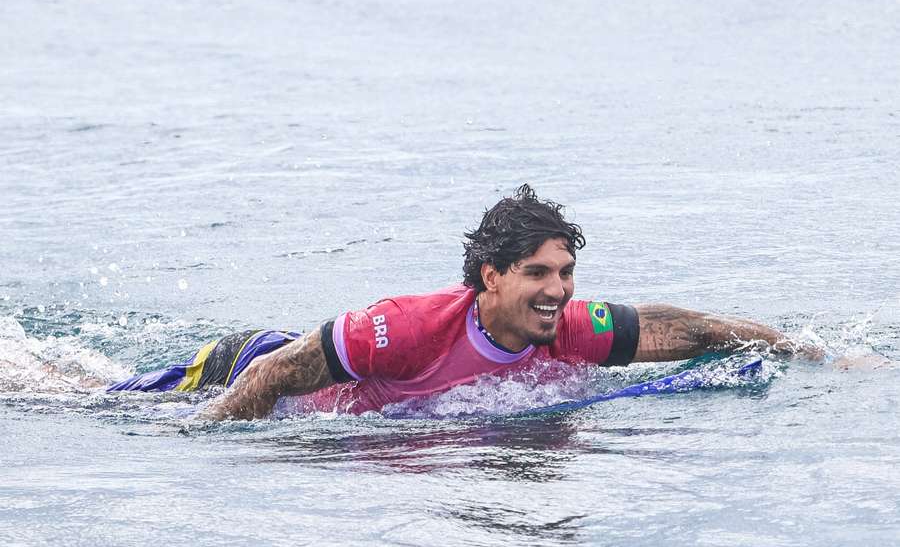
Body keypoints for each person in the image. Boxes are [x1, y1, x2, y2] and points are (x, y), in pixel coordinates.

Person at [108, 185, 824, 420]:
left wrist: (799, 348)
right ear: (489, 277)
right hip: (246, 365)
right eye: (538, 273)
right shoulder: (406, 327)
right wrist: (198, 443)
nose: (559, 290)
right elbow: (272, 377)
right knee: (87, 395)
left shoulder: (570, 327)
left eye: (566, 271)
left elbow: (685, 330)